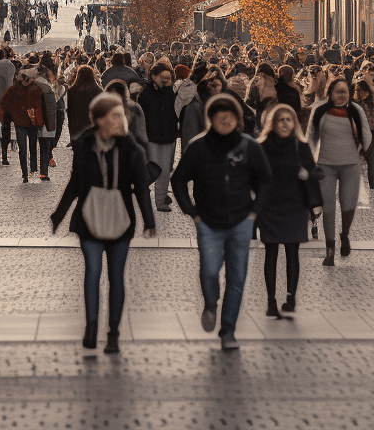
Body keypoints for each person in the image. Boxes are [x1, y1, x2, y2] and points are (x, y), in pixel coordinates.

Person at [50, 93, 155, 354]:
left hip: (121, 217)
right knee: (93, 272)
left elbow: (141, 188)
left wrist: (149, 220)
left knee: (116, 276)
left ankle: (113, 333)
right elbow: (75, 183)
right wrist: (59, 214)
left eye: (122, 115)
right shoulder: (83, 146)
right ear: (98, 120)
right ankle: (91, 326)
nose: (122, 120)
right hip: (89, 216)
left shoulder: (132, 149)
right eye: (115, 115)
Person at [171, 94, 271, 350]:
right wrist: (191, 212)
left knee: (237, 279)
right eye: (219, 115)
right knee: (210, 271)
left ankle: (228, 330)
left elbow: (265, 180)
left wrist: (254, 213)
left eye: (230, 116)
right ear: (210, 119)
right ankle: (210, 303)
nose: (225, 119)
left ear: (237, 119)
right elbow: (179, 180)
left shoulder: (249, 146)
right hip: (208, 222)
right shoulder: (198, 147)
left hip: (241, 221)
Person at [257, 104, 319, 318]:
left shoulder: (300, 146)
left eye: (288, 119)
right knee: (271, 252)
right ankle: (271, 301)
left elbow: (312, 173)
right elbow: (254, 175)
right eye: (280, 119)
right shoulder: (262, 145)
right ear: (272, 123)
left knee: (293, 252)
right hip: (270, 206)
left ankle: (291, 298)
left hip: (294, 205)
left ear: (294, 123)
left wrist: (306, 175)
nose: (284, 123)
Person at [309, 76, 370, 265]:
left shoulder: (356, 110)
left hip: (350, 165)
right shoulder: (320, 110)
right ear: (331, 93)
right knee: (328, 208)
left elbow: (366, 134)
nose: (342, 95)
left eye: (345, 91)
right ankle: (330, 250)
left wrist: (362, 151)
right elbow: (311, 136)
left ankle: (345, 233)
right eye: (339, 91)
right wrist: (310, 160)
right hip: (325, 165)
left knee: (348, 205)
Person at [0, 66, 52, 182]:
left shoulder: (13, 89)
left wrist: (8, 117)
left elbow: (3, 103)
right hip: (31, 123)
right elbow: (42, 105)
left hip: (20, 123)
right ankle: (31, 169)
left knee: (23, 148)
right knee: (31, 147)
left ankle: (25, 173)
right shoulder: (36, 89)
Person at [139, 63, 179, 212]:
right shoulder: (145, 93)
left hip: (168, 137)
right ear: (154, 77)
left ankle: (161, 200)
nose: (166, 80)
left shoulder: (171, 92)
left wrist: (168, 88)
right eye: (163, 78)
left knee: (163, 172)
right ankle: (142, 194)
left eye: (168, 78)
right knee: (151, 171)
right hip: (151, 137)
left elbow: (174, 110)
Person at [65, 65, 102, 142]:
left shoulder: (72, 91)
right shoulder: (98, 91)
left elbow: (70, 111)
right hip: (93, 126)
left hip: (76, 127)